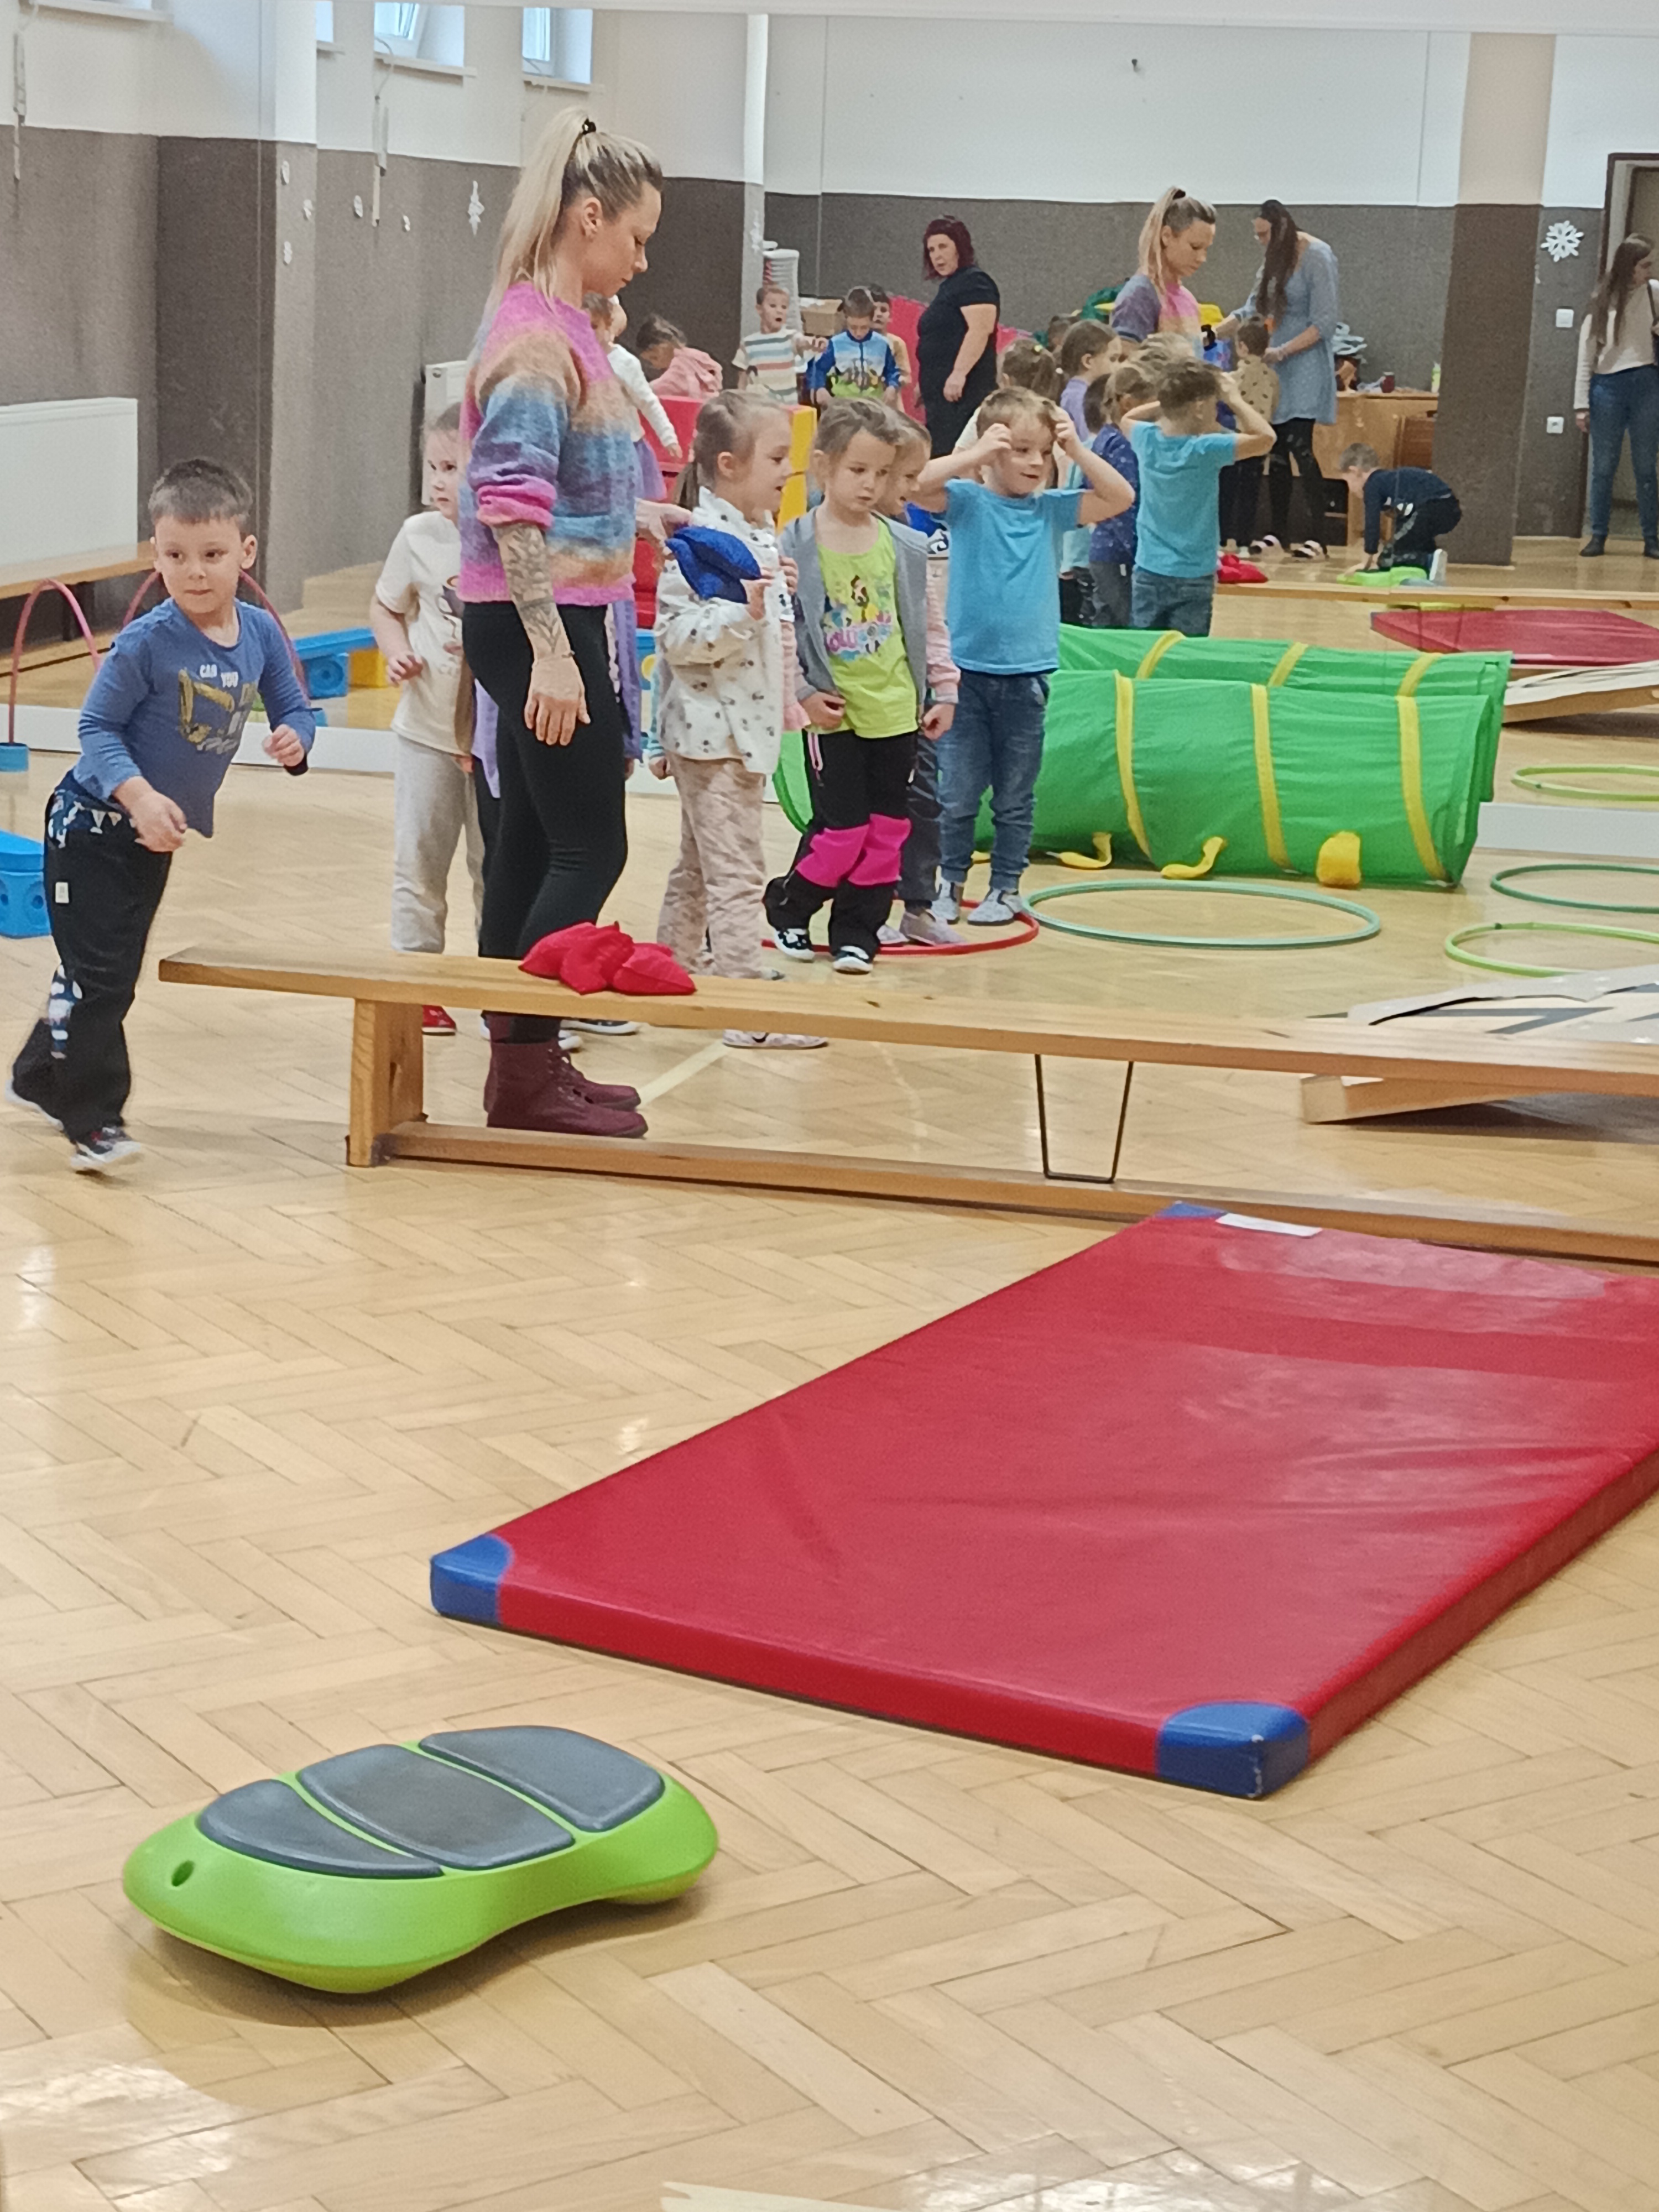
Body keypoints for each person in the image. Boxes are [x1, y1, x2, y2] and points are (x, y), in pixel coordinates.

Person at [461, 104, 679, 1142]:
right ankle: (527, 1066)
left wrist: (638, 518)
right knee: (592, 848)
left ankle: (520, 1069)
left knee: (532, 843)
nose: (642, 259)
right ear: (589, 218)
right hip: (538, 625)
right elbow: (511, 508)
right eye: (637, 236)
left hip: (556, 614)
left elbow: (566, 485)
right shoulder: (535, 342)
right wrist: (553, 654)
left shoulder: (564, 328)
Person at [7, 459, 314, 1172]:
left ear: (246, 552)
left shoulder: (260, 633)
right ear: (157, 555)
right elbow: (96, 729)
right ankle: (94, 1121)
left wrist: (297, 739)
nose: (194, 572)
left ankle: (38, 1073)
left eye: (212, 554)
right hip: (88, 829)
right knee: (103, 979)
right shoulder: (146, 641)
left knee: (102, 968)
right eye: (176, 556)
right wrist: (140, 797)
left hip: (152, 841)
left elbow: (295, 706)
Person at [914, 389, 1134, 924]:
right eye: (1020, 450)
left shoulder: (1050, 510)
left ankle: (1006, 888)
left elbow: (1121, 496)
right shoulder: (968, 502)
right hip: (964, 678)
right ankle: (949, 884)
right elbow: (915, 482)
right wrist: (974, 453)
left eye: (1043, 451)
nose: (1036, 462)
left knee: (1015, 795)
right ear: (993, 453)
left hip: (1026, 677)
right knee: (957, 792)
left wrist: (1076, 451)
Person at [648, 393, 823, 1050]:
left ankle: (670, 974)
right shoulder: (698, 542)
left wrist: (774, 605)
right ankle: (747, 1010)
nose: (787, 471)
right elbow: (675, 638)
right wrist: (742, 612)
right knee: (738, 873)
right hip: (711, 736)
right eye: (776, 458)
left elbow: (769, 637)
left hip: (740, 732)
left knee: (700, 866)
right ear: (728, 464)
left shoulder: (758, 532)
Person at [764, 401, 929, 973]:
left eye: (882, 473)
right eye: (858, 470)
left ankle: (858, 931)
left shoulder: (903, 544)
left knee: (888, 831)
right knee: (842, 831)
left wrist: (944, 690)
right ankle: (790, 907)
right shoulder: (792, 544)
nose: (871, 485)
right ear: (824, 466)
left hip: (897, 712)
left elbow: (929, 626)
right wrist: (804, 693)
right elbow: (782, 629)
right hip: (835, 716)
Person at [368, 405, 482, 1040]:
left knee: (494, 869)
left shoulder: (513, 540)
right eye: (433, 467)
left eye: (453, 468)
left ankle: (499, 990)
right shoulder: (418, 536)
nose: (439, 481)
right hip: (425, 733)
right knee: (419, 863)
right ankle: (417, 986)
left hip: (491, 743)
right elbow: (385, 608)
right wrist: (396, 652)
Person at [877, 415, 960, 945]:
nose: (914, 487)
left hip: (911, 699)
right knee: (868, 813)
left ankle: (918, 906)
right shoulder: (833, 536)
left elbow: (931, 620)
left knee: (924, 802)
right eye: (906, 476)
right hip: (862, 704)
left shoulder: (911, 536)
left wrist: (944, 686)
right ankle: (866, 908)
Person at [1121, 354, 1276, 635]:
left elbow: (1126, 418)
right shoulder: (1206, 449)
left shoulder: (1146, 439)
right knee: (1186, 653)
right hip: (1194, 573)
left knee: (1145, 652)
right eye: (1215, 404)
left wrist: (1169, 401)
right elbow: (1267, 438)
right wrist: (1234, 399)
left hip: (1148, 567)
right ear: (1200, 407)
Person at [1218, 201, 1340, 559]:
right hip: (1275, 367)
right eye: (1257, 235)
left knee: (1301, 445)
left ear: (1282, 228)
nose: (1260, 241)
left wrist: (1284, 350)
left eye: (1264, 234)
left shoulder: (1317, 255)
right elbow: (1251, 309)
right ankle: (1278, 533)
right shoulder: (1273, 260)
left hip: (1304, 364)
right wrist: (1208, 334)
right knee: (1277, 449)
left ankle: (1318, 537)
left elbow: (1325, 322)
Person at [1574, 234, 1659, 560]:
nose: (1649, 271)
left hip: (1647, 382)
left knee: (1646, 466)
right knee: (1603, 466)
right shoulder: (1603, 298)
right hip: (1607, 386)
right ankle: (1598, 535)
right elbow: (1586, 355)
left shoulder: (1654, 293)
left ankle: (1651, 538)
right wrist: (1581, 405)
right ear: (1629, 265)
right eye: (1644, 265)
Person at [916, 217, 1001, 455]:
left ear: (960, 247)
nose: (937, 256)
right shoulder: (951, 286)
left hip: (963, 396)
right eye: (932, 250)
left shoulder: (974, 281)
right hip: (942, 398)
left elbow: (980, 329)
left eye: (943, 247)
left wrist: (959, 373)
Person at [591, 294, 681, 497]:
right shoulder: (576, 357)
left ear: (609, 325)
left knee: (629, 501)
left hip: (625, 446)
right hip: (592, 445)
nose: (587, 333)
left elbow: (648, 402)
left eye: (594, 326)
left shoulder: (624, 362)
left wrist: (668, 436)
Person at [1085, 360, 1152, 628]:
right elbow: (1126, 505)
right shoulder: (1123, 445)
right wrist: (1138, 550)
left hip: (1102, 549)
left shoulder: (1103, 438)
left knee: (1106, 619)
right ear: (1128, 404)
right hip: (1118, 554)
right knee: (1129, 624)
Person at [1109, 189, 1215, 352]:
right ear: (1167, 236)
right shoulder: (1140, 296)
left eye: (1206, 249)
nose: (1202, 258)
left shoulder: (1188, 299)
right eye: (1195, 247)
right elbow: (1126, 364)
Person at [1338, 443, 1461, 572]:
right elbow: (1405, 520)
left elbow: (1372, 523)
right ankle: (1430, 561)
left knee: (1391, 554)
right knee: (1412, 540)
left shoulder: (1373, 484)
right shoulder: (1390, 481)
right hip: (1450, 508)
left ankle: (1426, 562)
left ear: (1355, 471)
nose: (1350, 489)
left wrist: (1368, 559)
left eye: (1348, 482)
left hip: (1433, 506)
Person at [1218, 319, 1277, 552]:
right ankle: (1245, 540)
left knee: (1227, 490)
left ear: (1242, 347)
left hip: (1236, 439)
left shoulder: (1233, 378)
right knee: (1251, 492)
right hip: (1260, 442)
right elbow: (1275, 404)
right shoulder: (1273, 378)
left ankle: (1223, 538)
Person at [806, 287, 904, 411]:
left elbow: (892, 371)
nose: (858, 333)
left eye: (864, 327)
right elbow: (818, 368)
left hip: (873, 406)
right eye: (853, 327)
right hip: (844, 407)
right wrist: (819, 388)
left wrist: (892, 386)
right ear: (846, 318)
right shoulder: (836, 343)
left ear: (871, 319)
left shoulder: (882, 344)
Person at [734, 280, 815, 404]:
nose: (779, 311)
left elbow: (803, 342)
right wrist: (741, 402)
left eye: (784, 307)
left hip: (787, 407)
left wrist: (814, 343)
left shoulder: (791, 337)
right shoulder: (748, 343)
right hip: (761, 407)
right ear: (759, 309)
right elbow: (742, 379)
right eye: (773, 306)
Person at [637, 313, 722, 399]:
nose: (655, 365)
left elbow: (670, 383)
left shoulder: (681, 362)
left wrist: (644, 390)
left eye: (654, 357)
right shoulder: (693, 355)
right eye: (650, 362)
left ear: (665, 345)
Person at [1057, 319, 1115, 437]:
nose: (1120, 366)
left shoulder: (1079, 393)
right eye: (1113, 359)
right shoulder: (1079, 398)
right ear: (1088, 361)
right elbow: (1089, 440)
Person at [868, 288, 914, 399]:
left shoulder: (897, 343)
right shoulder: (853, 342)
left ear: (890, 317)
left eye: (883, 310)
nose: (878, 314)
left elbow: (907, 377)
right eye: (873, 310)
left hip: (889, 403)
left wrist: (893, 382)